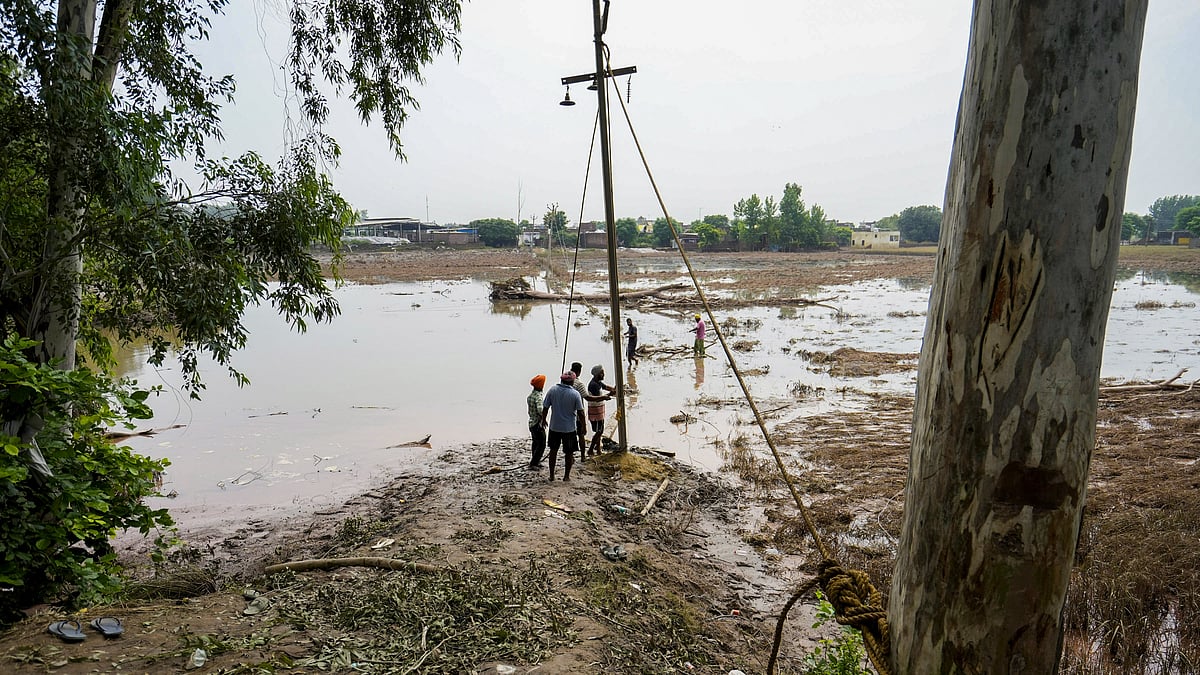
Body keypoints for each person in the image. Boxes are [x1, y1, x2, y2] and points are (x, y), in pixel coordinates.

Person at [540, 371, 586, 481]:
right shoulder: (575, 394)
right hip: (569, 428)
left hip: (554, 426)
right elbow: (581, 412)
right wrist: (584, 426)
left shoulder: (552, 390)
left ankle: (551, 475)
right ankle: (566, 476)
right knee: (569, 453)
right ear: (572, 382)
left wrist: (543, 419)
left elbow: (545, 407)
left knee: (553, 450)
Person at [586, 364, 616, 456]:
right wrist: (610, 394)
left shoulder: (598, 382)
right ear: (597, 374)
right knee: (599, 431)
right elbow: (598, 398)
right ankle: (591, 449)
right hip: (595, 412)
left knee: (598, 431)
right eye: (602, 373)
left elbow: (606, 387)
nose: (604, 374)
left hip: (599, 411)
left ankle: (598, 450)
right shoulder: (593, 385)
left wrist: (614, 389)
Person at [526, 374, 547, 470]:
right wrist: (544, 419)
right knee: (542, 443)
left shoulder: (530, 396)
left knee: (535, 442)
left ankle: (535, 461)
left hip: (531, 423)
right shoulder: (538, 396)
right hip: (537, 424)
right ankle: (534, 463)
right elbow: (540, 409)